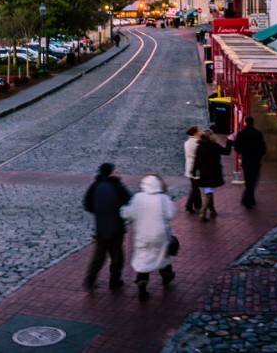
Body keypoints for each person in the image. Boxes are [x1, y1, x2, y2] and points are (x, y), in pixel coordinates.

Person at [120, 173, 176, 301]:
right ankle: (167, 276)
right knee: (162, 256)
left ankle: (142, 286)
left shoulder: (138, 198)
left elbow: (128, 214)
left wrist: (123, 210)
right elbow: (170, 215)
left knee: (144, 259)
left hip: (143, 236)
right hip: (160, 235)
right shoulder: (163, 198)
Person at [83, 162, 131, 291]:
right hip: (116, 227)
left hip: (101, 227)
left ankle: (90, 280)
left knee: (99, 256)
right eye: (115, 170)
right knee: (117, 257)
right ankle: (114, 281)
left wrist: (100, 212)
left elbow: (87, 205)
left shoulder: (95, 185)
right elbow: (128, 202)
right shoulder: (117, 186)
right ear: (110, 172)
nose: (117, 172)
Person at [192, 127, 233, 222]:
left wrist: (193, 172)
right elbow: (227, 152)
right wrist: (229, 141)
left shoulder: (200, 146)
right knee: (209, 193)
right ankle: (203, 213)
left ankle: (212, 210)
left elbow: (196, 161)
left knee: (208, 190)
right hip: (213, 172)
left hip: (204, 172)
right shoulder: (214, 145)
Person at [233, 116, 267, 209]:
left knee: (248, 180)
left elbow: (237, 148)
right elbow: (263, 148)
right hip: (255, 160)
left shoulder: (241, 134)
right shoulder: (258, 134)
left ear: (245, 123)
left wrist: (243, 152)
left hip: (246, 160)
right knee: (253, 179)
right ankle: (247, 199)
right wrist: (259, 155)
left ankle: (249, 198)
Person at [183, 126, 203, 213]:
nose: (200, 131)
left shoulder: (188, 142)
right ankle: (190, 206)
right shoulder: (196, 143)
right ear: (195, 133)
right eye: (199, 130)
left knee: (195, 187)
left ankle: (195, 205)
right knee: (195, 188)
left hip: (190, 167)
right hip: (195, 168)